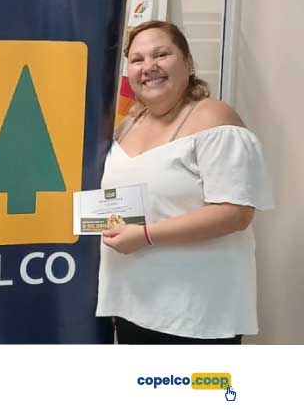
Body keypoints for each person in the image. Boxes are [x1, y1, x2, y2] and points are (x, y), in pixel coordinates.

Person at [96, 20, 273, 344]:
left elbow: (235, 212)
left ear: (188, 63)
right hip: (132, 302)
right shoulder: (128, 123)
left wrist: (145, 235)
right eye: (137, 59)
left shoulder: (214, 119)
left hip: (196, 312)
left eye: (161, 55)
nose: (148, 67)